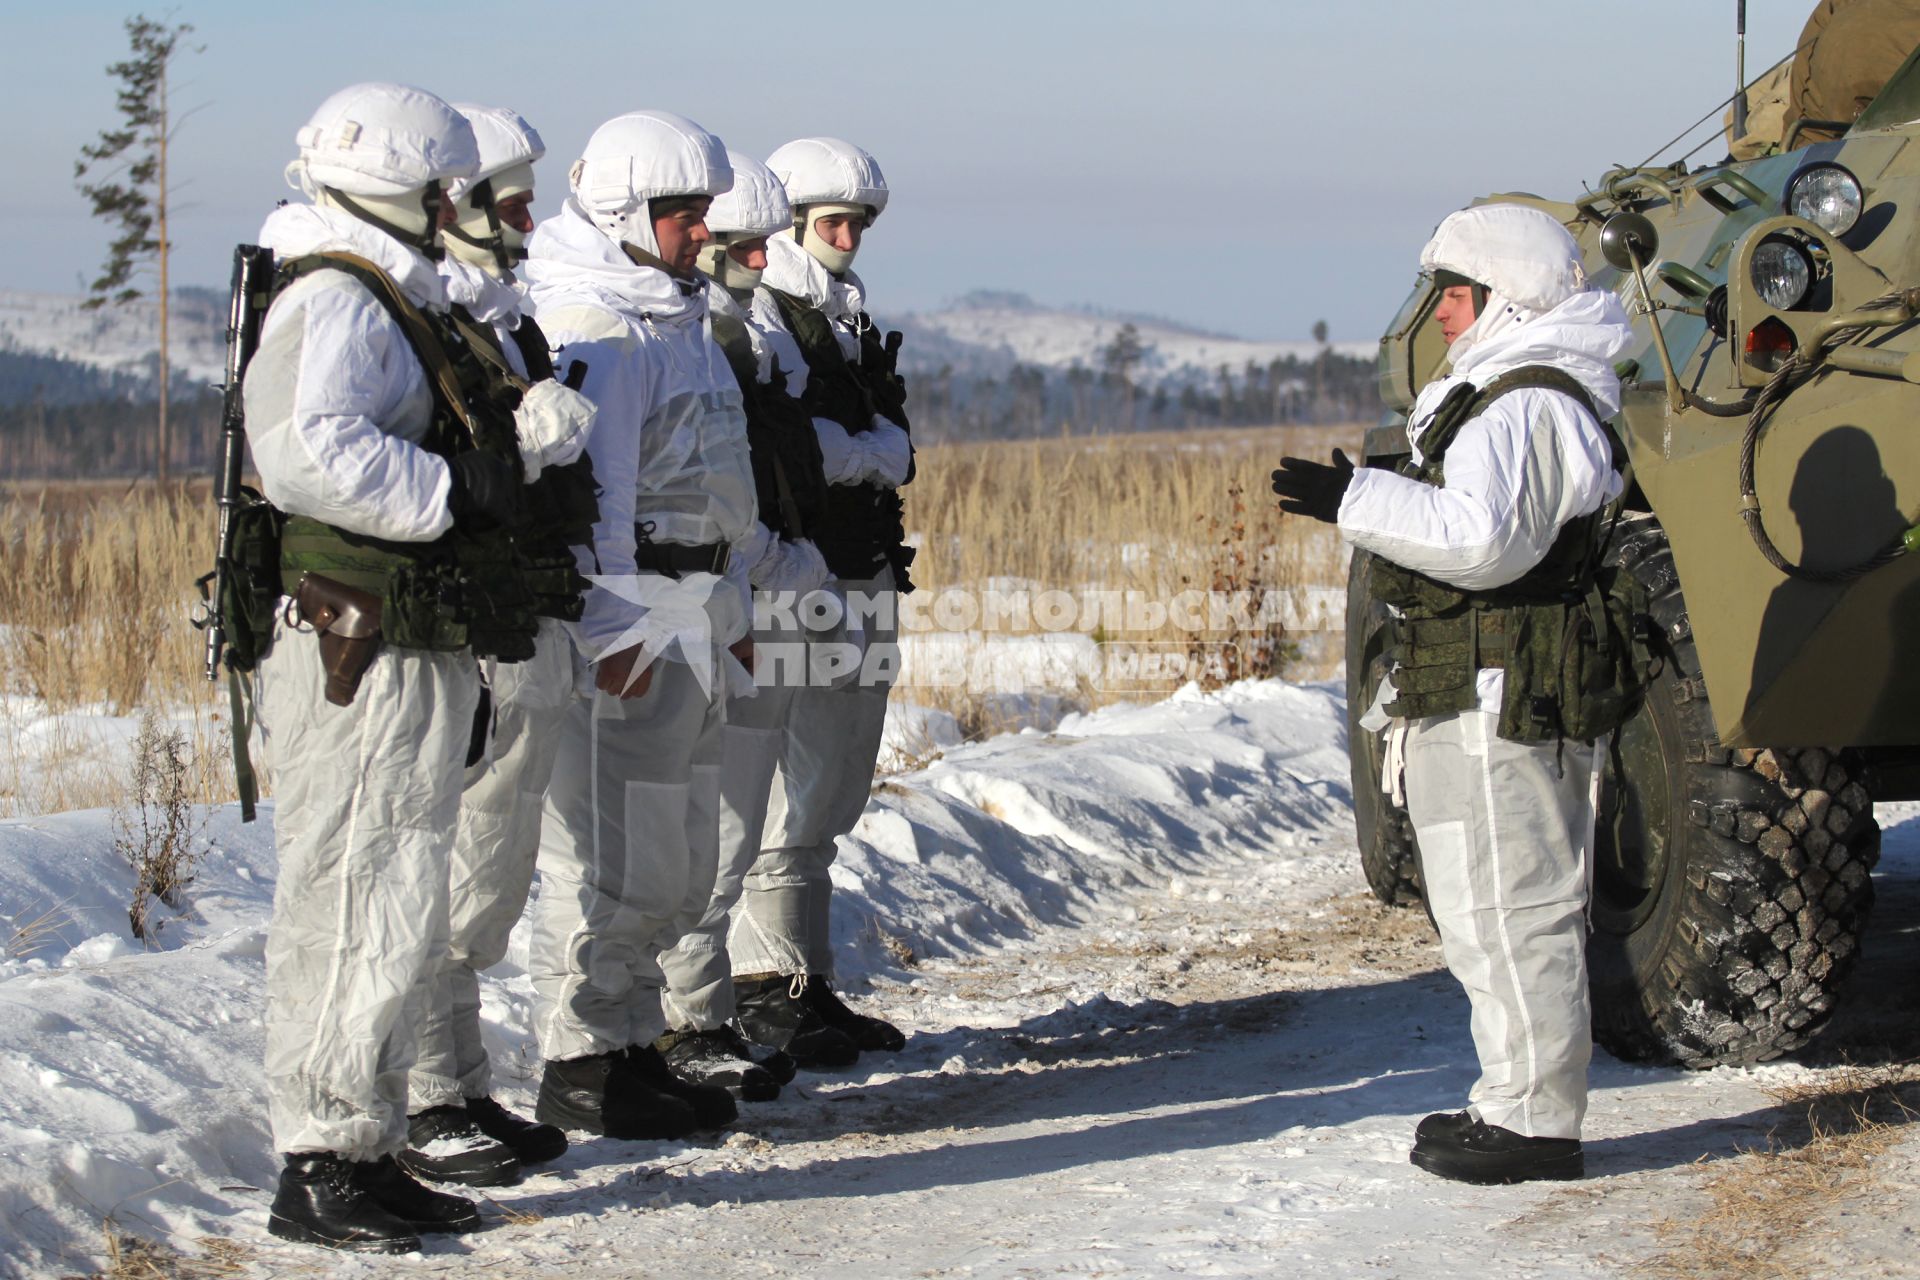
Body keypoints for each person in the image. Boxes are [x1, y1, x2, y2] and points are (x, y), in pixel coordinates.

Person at [1271, 203, 1633, 1185]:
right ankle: (1511, 1098)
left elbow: (1482, 540)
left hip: (1503, 691)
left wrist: (1357, 500)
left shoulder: (1527, 402)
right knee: (1486, 904)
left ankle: (1535, 1121)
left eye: (1458, 294)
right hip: (1479, 685)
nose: (1440, 313)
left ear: (1506, 299)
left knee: (1516, 905)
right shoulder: (1511, 392)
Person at [249, 82, 535, 1252]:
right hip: (355, 643)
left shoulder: (384, 294)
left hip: (398, 638)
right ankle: (318, 1158)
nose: (457, 205)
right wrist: (453, 493)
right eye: (446, 186)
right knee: (352, 890)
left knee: (394, 894)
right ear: (400, 184)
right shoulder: (340, 296)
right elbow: (309, 451)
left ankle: (362, 1141)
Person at [522, 110, 756, 1140]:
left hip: (698, 604)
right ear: (623, 208)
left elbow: (721, 483)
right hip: (641, 610)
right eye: (681, 214)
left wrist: (736, 605)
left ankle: (632, 1036)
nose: (700, 233)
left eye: (704, 213)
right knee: (611, 847)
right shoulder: (600, 329)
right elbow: (601, 494)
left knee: (675, 847)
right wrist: (615, 629)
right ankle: (581, 1055)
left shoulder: (677, 320)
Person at [400, 103, 598, 1187]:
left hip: (529, 622)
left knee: (493, 871)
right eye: (511, 201)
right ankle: (430, 1093)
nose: (530, 222)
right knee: (453, 869)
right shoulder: (423, 326)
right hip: (468, 639)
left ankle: (464, 1080)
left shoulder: (500, 324)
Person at [727, 138, 913, 1067]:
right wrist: (865, 451)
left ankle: (801, 975)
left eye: (857, 223)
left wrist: (869, 451)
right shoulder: (765, 315)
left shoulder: (837, 317)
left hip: (861, 569)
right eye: (830, 222)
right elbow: (791, 448)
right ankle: (762, 984)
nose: (847, 238)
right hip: (799, 579)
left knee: (835, 777)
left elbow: (889, 443)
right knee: (788, 784)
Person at [655, 151, 836, 1098]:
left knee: (730, 827)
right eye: (746, 247)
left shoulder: (747, 342)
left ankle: (702, 1009)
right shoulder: (681, 343)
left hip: (754, 598)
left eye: (766, 246)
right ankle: (678, 1020)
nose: (764, 264)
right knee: (691, 830)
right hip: (704, 607)